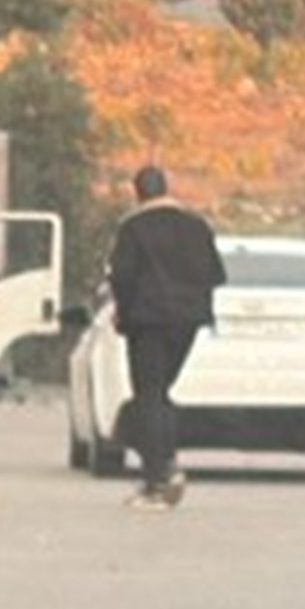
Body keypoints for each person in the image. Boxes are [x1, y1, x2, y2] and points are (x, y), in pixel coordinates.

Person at [107, 165, 226, 512]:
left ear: (138, 193)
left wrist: (122, 313)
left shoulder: (133, 228)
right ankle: (165, 464)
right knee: (159, 394)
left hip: (147, 322)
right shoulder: (197, 226)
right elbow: (216, 274)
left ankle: (159, 476)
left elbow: (122, 277)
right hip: (187, 323)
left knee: (149, 396)